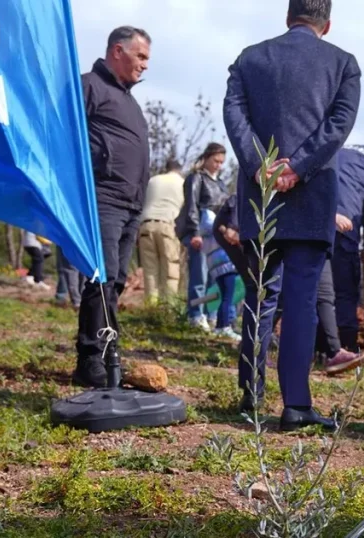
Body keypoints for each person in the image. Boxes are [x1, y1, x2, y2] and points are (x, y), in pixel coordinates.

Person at [223, 0, 361, 432]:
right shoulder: (343, 63)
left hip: (259, 193)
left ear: (288, 17)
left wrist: (260, 164)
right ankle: (296, 405)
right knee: (301, 301)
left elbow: (234, 114)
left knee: (259, 297)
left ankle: (250, 395)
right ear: (328, 24)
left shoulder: (249, 58)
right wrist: (297, 167)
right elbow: (339, 124)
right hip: (313, 193)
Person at [73, 26, 152, 388]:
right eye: (141, 57)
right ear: (117, 51)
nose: (145, 66)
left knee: (116, 279)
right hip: (102, 198)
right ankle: (91, 358)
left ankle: (107, 350)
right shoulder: (89, 85)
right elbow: (67, 137)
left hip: (131, 204)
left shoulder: (129, 101)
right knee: (100, 277)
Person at [330, 138, 364, 355]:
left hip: (318, 222)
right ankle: (347, 347)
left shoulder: (339, 149)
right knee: (346, 291)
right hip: (346, 228)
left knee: (319, 289)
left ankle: (320, 347)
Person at [177, 143, 229, 330]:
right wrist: (195, 233)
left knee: (214, 278)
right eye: (215, 161)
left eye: (221, 162)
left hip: (217, 236)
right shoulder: (196, 178)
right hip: (201, 232)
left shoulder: (221, 184)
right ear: (206, 158)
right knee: (200, 276)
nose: (218, 165)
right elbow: (192, 206)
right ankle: (196, 315)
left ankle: (211, 314)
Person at [139, 158, 184, 306]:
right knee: (170, 269)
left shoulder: (153, 180)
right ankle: (169, 308)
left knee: (150, 271)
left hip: (146, 225)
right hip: (167, 226)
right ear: (179, 170)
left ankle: (151, 307)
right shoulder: (181, 182)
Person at [199, 209, 241, 342]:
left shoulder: (204, 227)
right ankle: (224, 326)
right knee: (228, 297)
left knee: (224, 296)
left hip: (214, 265)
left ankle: (219, 326)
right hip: (226, 263)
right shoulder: (215, 222)